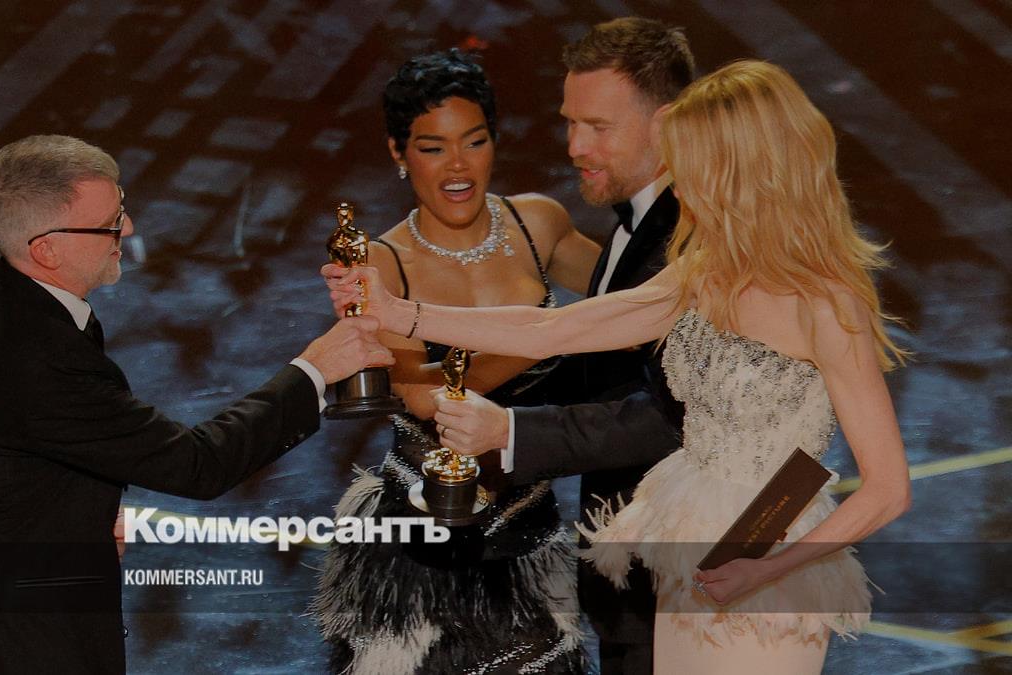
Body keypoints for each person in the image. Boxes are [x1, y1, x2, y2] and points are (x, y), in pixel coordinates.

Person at [326, 60, 912, 674]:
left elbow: (888, 488)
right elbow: (556, 329)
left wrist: (764, 569)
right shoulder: (704, 272)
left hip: (769, 565)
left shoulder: (825, 304)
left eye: (691, 170)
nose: (679, 189)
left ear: (739, 170)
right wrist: (400, 313)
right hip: (689, 544)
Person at [0, 135, 392, 674]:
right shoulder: (37, 357)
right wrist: (315, 369)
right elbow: (197, 463)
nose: (128, 229)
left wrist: (84, 513)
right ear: (46, 250)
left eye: (120, 209)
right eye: (110, 223)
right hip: (5, 645)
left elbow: (0, 451)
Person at [311, 50, 600, 674]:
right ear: (398, 152)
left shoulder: (537, 224)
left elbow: (626, 295)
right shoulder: (383, 262)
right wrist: (545, 335)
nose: (459, 165)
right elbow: (421, 396)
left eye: (474, 141)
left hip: (528, 525)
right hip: (426, 537)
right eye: (433, 147)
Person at [425, 18, 695, 674]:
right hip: (630, 581)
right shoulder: (637, 223)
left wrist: (509, 433)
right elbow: (607, 372)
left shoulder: (692, 240)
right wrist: (468, 392)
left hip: (683, 584)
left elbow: (674, 417)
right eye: (570, 122)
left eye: (598, 127)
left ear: (666, 124)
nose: (574, 147)